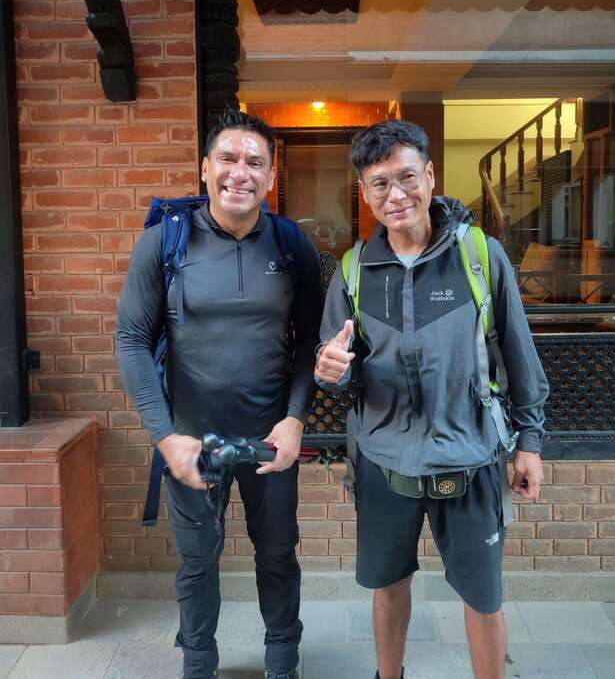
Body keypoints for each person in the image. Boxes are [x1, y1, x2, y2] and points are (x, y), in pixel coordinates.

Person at [315, 120, 549, 679]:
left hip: (470, 456)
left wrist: (530, 442)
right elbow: (339, 370)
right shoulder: (353, 271)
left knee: (484, 596)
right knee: (389, 584)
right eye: (379, 184)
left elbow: (520, 355)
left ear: (430, 175)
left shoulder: (479, 255)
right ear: (364, 192)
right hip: (383, 460)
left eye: (406, 177)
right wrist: (332, 372)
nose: (395, 195)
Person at [116, 108, 322, 679]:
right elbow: (131, 339)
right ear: (205, 168)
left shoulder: (292, 245)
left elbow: (311, 340)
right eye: (227, 158)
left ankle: (283, 660)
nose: (240, 172)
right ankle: (198, 665)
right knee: (197, 561)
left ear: (271, 176)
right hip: (191, 439)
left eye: (255, 162)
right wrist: (164, 436)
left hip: (269, 438)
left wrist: (296, 419)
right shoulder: (164, 243)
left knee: (277, 555)